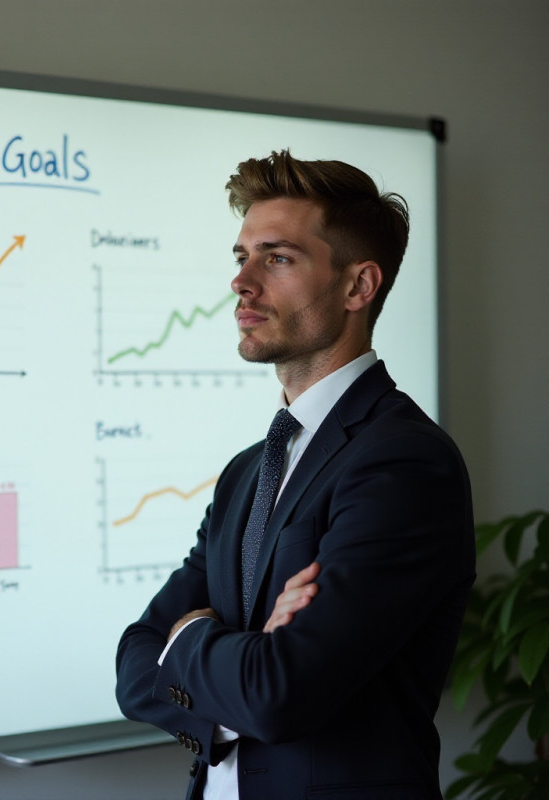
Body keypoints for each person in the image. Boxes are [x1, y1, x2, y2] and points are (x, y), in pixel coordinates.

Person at [115, 149, 475, 800]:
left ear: (357, 287)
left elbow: (281, 694)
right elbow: (133, 665)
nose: (242, 282)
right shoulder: (246, 472)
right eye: (241, 257)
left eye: (277, 258)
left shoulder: (404, 462)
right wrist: (244, 658)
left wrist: (191, 634)